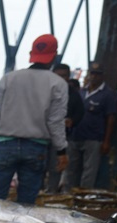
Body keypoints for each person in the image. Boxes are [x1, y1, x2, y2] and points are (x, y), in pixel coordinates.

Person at [0, 34, 69, 205]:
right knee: (26, 204)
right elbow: (55, 121)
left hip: (5, 145)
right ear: (54, 55)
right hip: (36, 148)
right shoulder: (58, 83)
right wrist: (61, 151)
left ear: (31, 53)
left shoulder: (9, 78)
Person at [67, 62, 117, 190]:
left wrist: (106, 141)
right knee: (72, 169)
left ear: (102, 76)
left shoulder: (107, 94)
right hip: (75, 135)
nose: (94, 77)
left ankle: (83, 197)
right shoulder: (81, 92)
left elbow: (110, 118)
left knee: (89, 172)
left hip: (93, 138)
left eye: (97, 74)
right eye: (92, 73)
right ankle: (69, 195)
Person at [44, 63, 83, 193]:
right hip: (41, 136)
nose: (61, 79)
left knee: (56, 167)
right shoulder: (43, 90)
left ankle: (51, 193)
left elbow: (80, 112)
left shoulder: (73, 94)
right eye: (58, 75)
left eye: (64, 76)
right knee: (37, 167)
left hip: (61, 138)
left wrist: (72, 121)